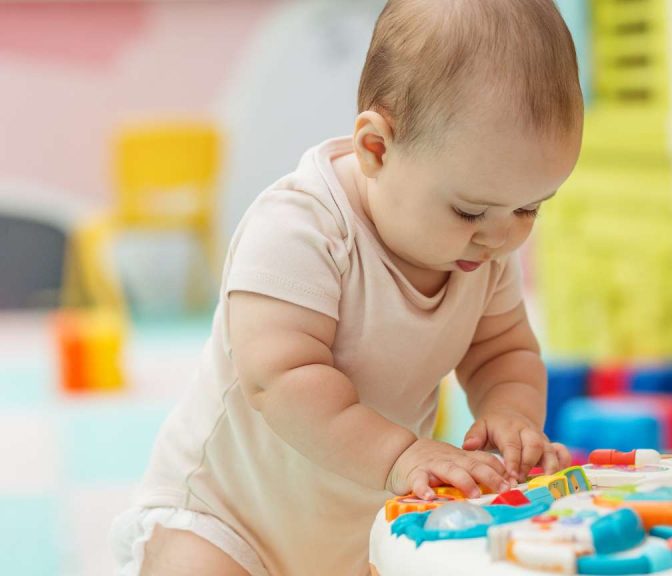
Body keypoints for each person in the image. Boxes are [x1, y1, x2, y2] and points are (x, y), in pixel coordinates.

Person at [110, 0, 584, 574]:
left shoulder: (480, 248)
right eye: (469, 210)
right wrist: (401, 453)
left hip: (362, 521)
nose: (502, 237)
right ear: (376, 148)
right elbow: (281, 379)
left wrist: (511, 415)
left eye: (530, 207)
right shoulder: (300, 228)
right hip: (228, 519)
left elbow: (503, 351)